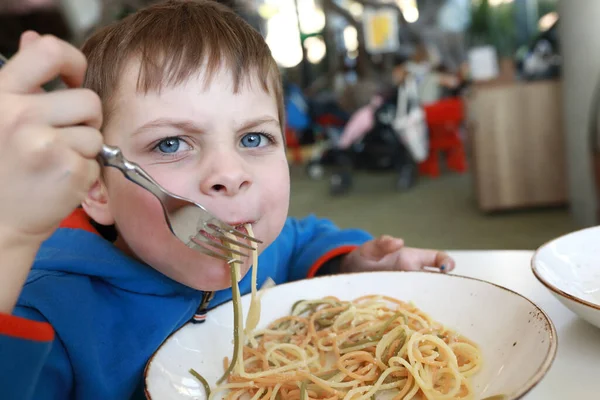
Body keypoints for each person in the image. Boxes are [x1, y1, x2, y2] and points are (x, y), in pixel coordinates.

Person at [0, 1, 455, 399]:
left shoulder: (253, 245)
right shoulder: (45, 310)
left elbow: (301, 240)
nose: (230, 175)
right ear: (97, 188)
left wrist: (349, 263)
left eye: (253, 137)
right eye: (172, 144)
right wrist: (10, 240)